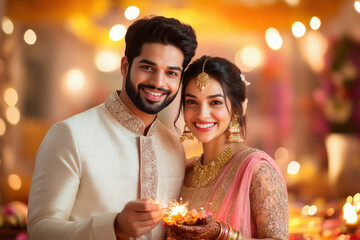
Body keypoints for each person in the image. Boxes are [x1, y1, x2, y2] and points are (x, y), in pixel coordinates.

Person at [27, 15, 197, 240]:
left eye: (171, 73)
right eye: (148, 67)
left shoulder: (174, 146)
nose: (158, 82)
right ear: (125, 66)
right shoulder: (71, 134)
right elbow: (39, 231)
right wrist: (114, 227)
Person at [167, 56, 288, 240]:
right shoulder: (183, 170)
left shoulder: (257, 170)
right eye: (192, 102)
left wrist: (222, 234)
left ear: (237, 109)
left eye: (215, 102)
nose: (202, 114)